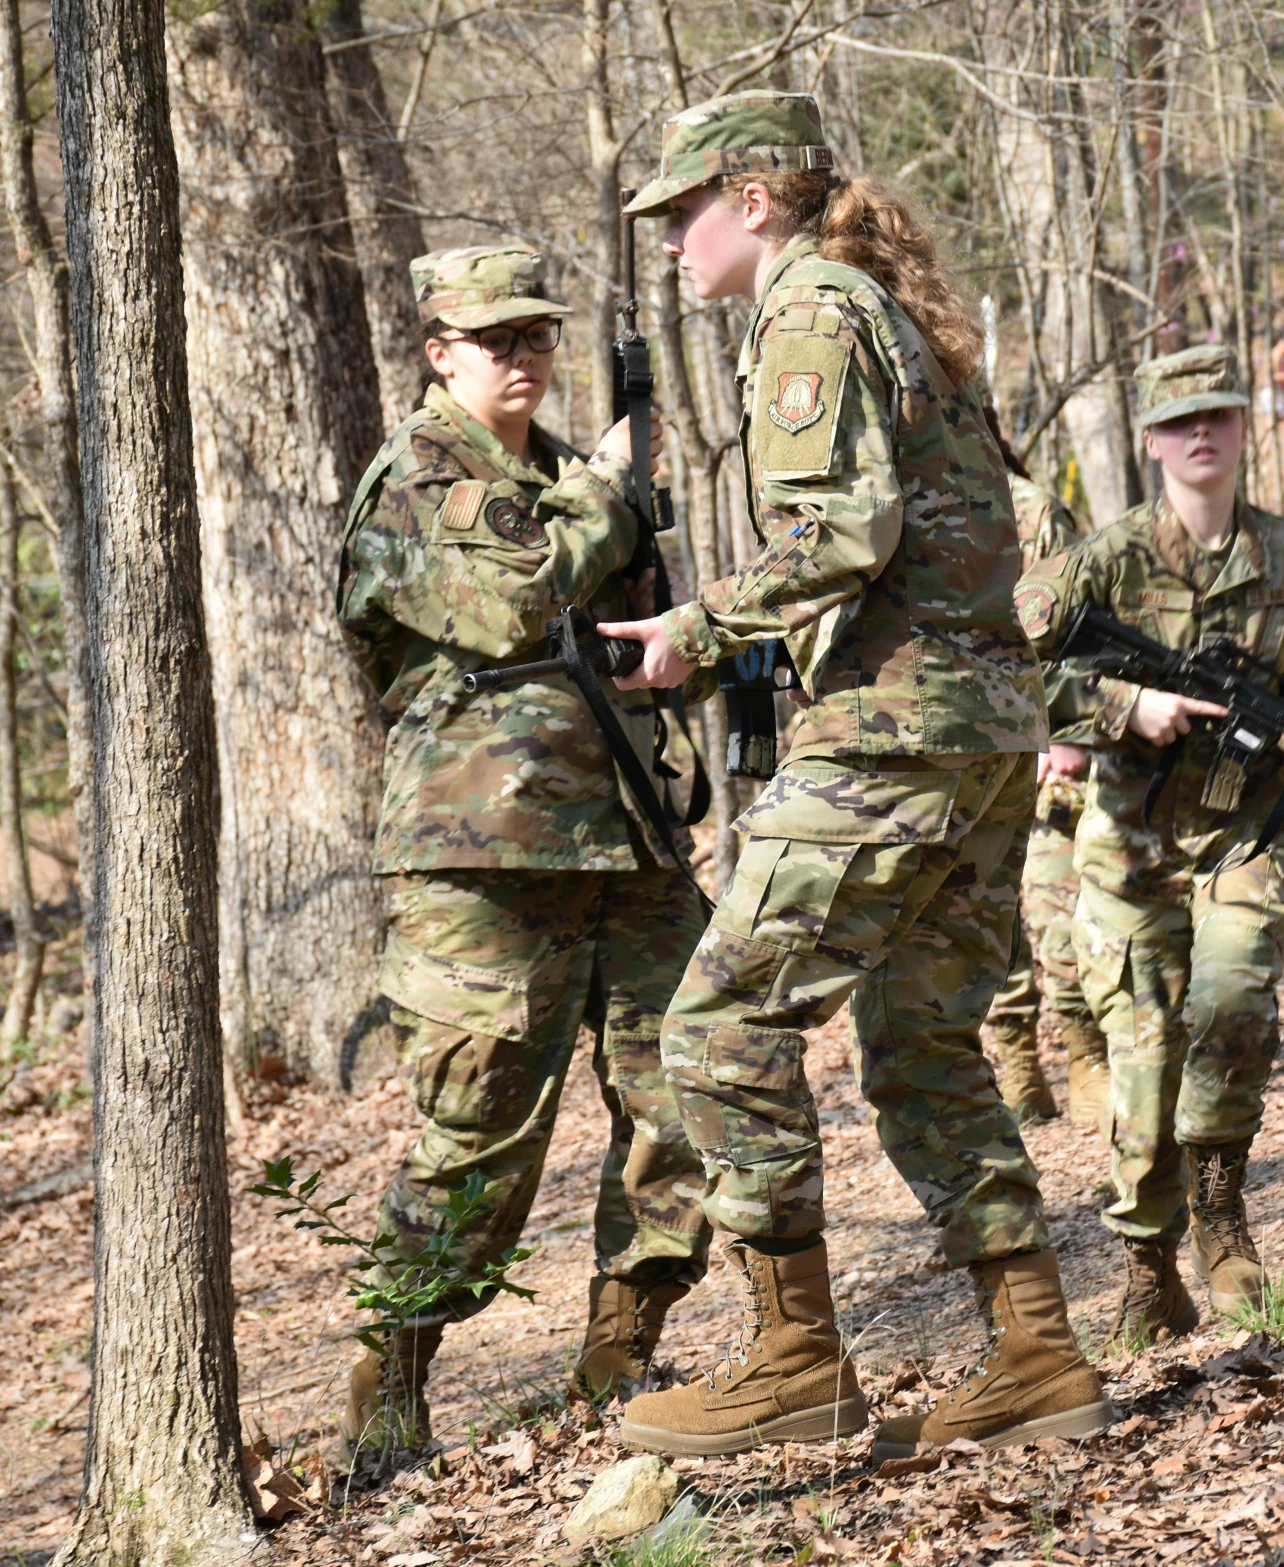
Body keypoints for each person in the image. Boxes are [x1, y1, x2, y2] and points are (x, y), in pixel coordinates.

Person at [595, 91, 1109, 1460]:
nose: (665, 243)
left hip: (899, 728)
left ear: (751, 200)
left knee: (712, 1027)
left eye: (680, 212)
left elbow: (841, 527)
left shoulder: (810, 309)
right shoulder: (878, 304)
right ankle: (1038, 1354)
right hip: (985, 733)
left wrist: (696, 632)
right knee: (924, 1044)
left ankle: (793, 1356)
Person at [332, 245, 713, 1464]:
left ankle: (620, 1364)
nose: (524, 357)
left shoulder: (561, 471)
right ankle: (387, 1392)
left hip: (626, 841)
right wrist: (610, 492)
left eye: (538, 336)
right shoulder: (420, 478)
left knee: (688, 1093)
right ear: (438, 349)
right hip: (480, 858)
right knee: (482, 1140)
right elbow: (507, 603)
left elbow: (620, 629)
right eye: (496, 339)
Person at [1014, 344, 1284, 1346]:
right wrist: (1128, 703)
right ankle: (1145, 1271)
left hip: (1248, 833)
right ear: (1150, 441)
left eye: (1217, 413)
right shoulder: (1103, 562)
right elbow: (1005, 669)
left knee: (1230, 998)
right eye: (1179, 421)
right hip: (1128, 846)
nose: (1200, 433)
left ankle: (1222, 1225)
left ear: (1243, 425)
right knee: (1143, 1055)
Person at [977, 440, 1113, 1133]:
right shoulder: (896, 515)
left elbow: (1074, 632)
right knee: (987, 915)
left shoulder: (1029, 511)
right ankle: (1018, 1063)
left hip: (1040, 748)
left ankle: (1086, 1052)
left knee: (1055, 901)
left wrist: (1064, 730)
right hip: (959, 751)